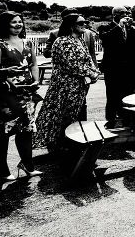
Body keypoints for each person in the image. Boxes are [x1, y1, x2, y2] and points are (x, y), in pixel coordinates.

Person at [34, 12, 100, 151]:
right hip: (65, 86)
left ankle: (74, 146)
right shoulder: (62, 41)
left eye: (85, 22)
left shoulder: (80, 40)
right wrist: (92, 74)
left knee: (76, 114)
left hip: (79, 85)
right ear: (71, 26)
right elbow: (73, 65)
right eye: (81, 23)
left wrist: (94, 71)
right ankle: (61, 147)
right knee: (62, 116)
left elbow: (88, 58)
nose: (85, 25)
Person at [0, 12, 41, 185]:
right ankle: (2, 168)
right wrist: (12, 84)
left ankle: (28, 165)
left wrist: (36, 81)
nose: (18, 25)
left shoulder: (27, 42)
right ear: (5, 24)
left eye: (20, 22)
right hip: (6, 94)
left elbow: (34, 64)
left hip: (27, 93)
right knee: (2, 132)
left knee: (26, 130)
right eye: (13, 22)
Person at [99, 6, 135, 129]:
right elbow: (106, 39)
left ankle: (127, 118)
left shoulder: (134, 26)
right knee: (112, 94)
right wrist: (119, 26)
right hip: (113, 67)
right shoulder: (105, 28)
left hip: (130, 67)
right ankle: (111, 119)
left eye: (127, 12)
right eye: (122, 13)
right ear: (115, 15)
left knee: (128, 93)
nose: (126, 14)